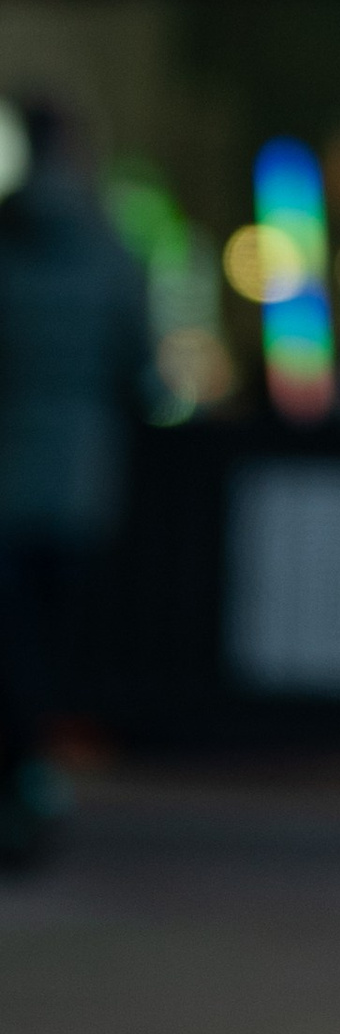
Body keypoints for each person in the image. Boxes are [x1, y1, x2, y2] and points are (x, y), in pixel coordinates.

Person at [0, 97, 150, 864]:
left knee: (11, 649)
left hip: (9, 482)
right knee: (54, 651)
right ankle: (37, 786)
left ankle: (19, 786)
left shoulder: (8, 238)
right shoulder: (108, 246)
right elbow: (142, 365)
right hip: (82, 481)